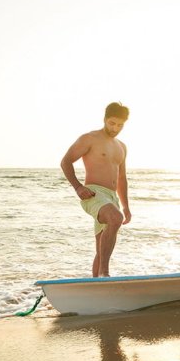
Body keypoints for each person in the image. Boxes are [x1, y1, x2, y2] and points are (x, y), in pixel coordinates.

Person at [60, 102, 131, 277]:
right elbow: (65, 161)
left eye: (120, 125)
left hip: (111, 197)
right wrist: (78, 187)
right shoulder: (89, 138)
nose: (115, 128)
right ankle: (105, 274)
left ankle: (96, 286)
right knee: (115, 218)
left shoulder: (122, 146)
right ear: (105, 119)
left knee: (101, 249)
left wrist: (126, 206)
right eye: (112, 123)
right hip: (93, 193)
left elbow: (122, 178)